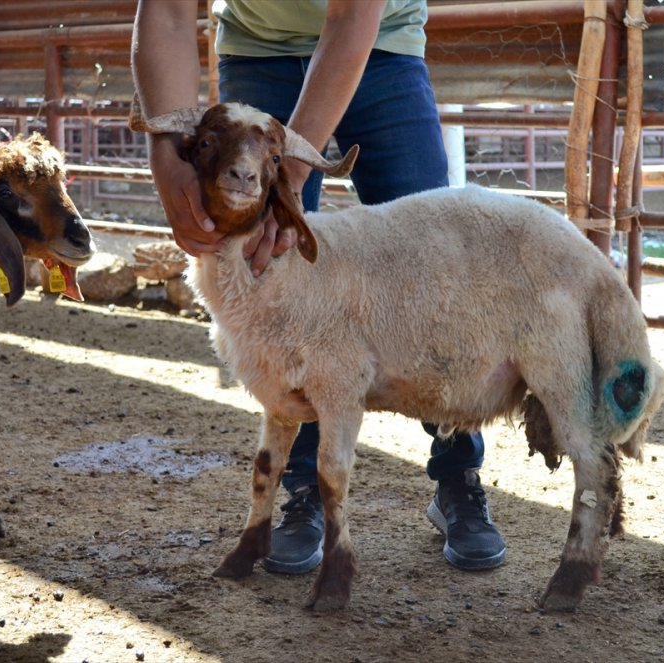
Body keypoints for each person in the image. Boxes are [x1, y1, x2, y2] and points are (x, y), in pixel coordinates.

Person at [132, 0, 505, 574]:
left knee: (433, 269)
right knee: (271, 271)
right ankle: (303, 490)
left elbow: (353, 16)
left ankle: (457, 474)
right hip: (259, 47)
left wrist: (294, 172)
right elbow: (170, 13)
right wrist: (166, 149)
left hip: (381, 41)